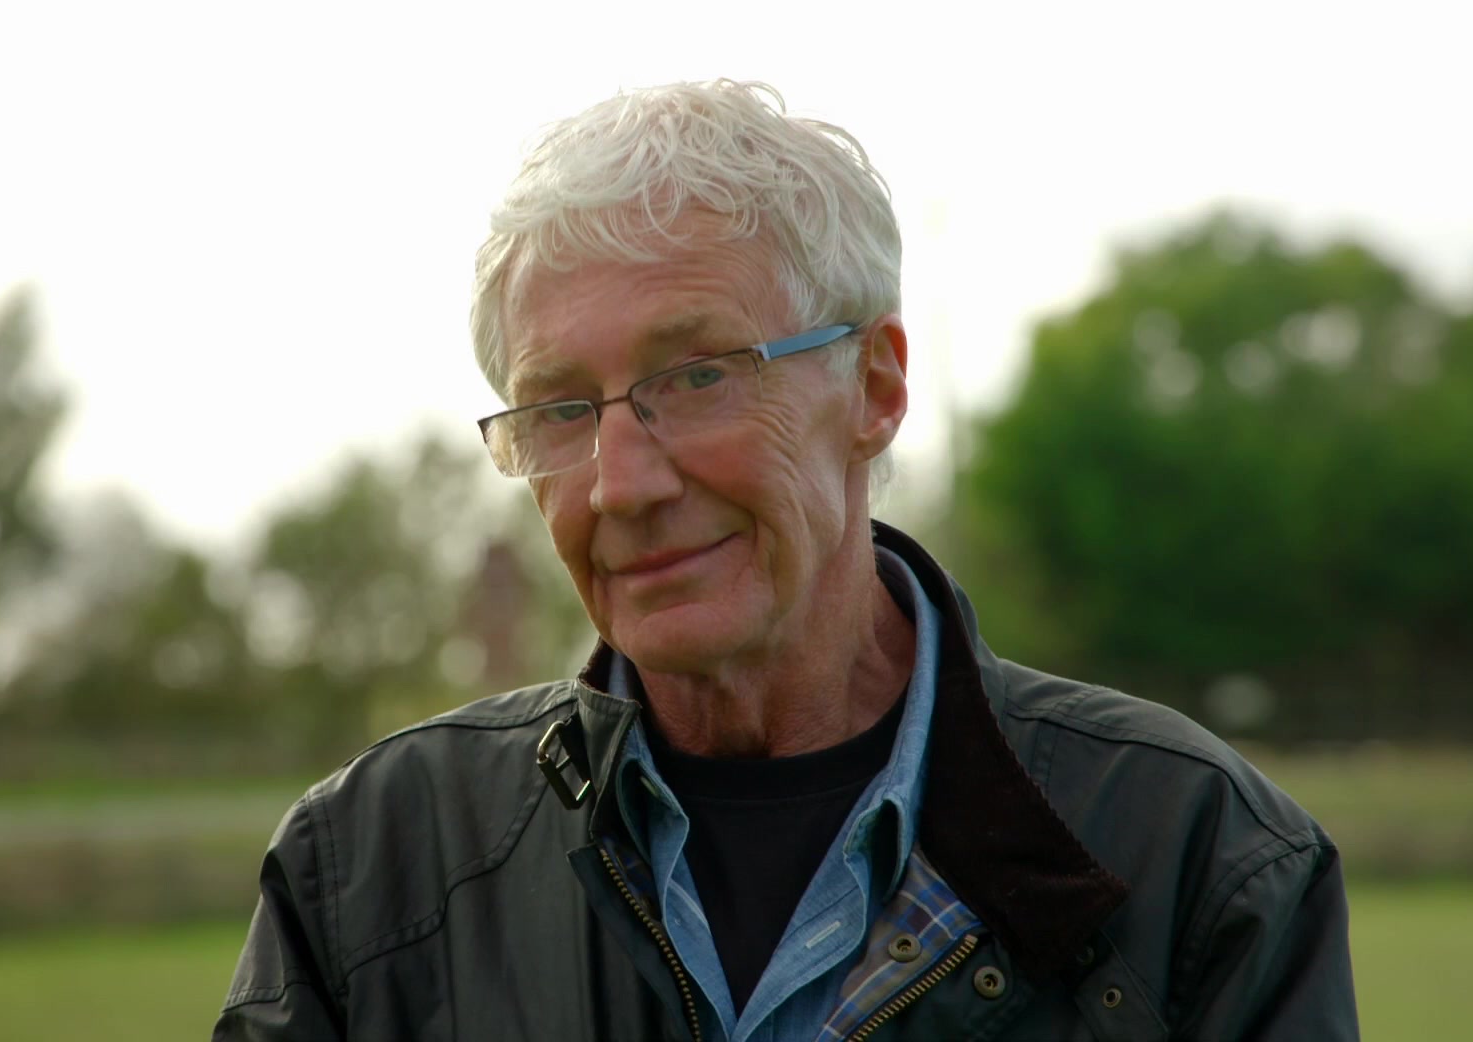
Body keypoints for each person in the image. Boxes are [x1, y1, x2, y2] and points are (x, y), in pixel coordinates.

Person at [214, 80, 1358, 1041]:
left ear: (876, 387)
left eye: (697, 376)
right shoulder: (367, 872)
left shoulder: (1203, 861)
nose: (621, 483)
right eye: (559, 409)